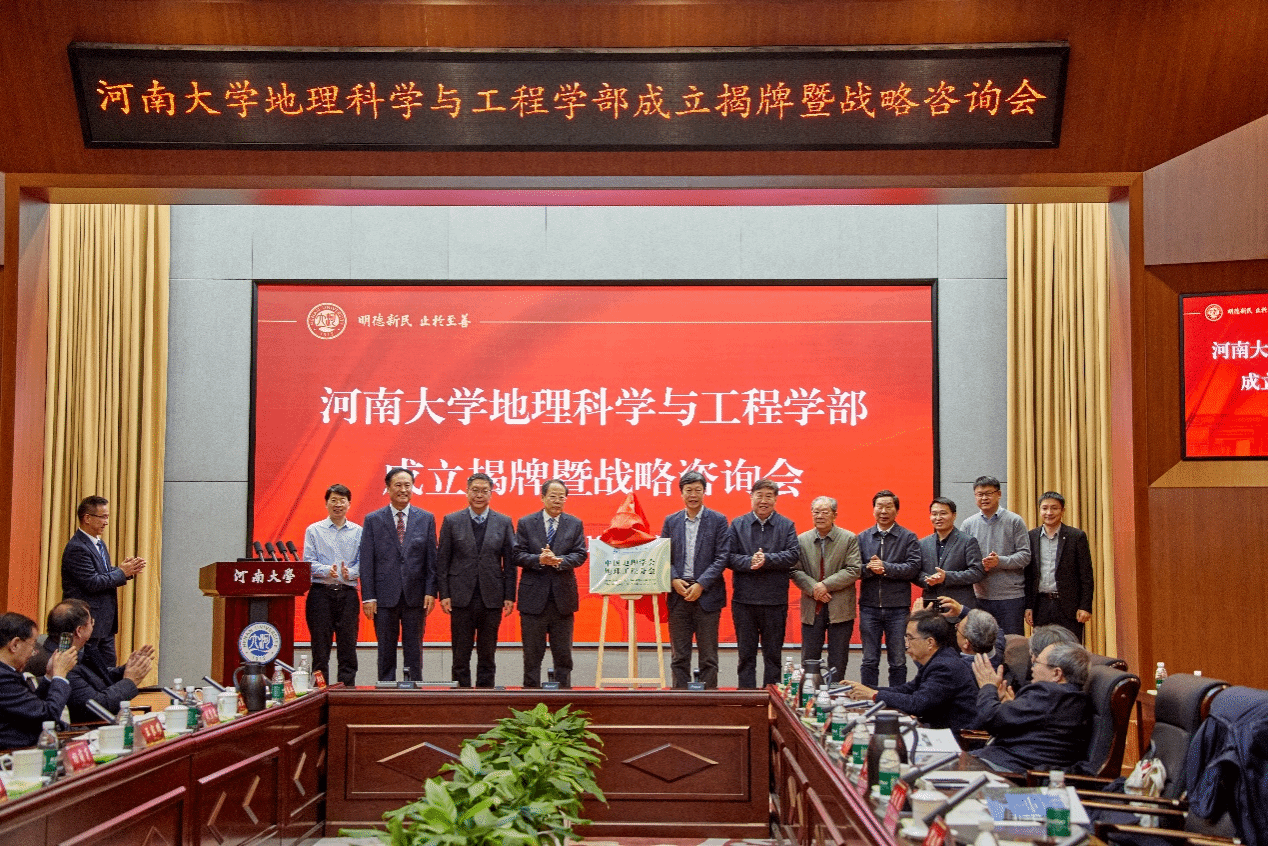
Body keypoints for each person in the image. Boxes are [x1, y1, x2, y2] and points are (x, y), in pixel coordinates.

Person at [436, 473, 517, 688]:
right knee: (460, 654)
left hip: (492, 596)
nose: (479, 495)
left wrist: (509, 595)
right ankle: (460, 698)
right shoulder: (452, 521)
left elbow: (510, 563)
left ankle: (486, 697)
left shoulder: (504, 522)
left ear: (491, 494)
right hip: (460, 597)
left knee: (487, 653)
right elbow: (442, 561)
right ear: (467, 492)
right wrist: (444, 594)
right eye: (475, 490)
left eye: (484, 491)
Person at [359, 467, 436, 683]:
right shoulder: (373, 519)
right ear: (388, 488)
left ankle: (414, 690)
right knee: (385, 650)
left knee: (414, 651)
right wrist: (368, 596)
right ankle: (386, 691)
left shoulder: (426, 518)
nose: (403, 490)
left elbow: (432, 559)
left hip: (415, 596)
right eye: (398, 485)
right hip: (384, 597)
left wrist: (431, 591)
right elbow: (367, 561)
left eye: (407, 485)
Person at [846, 608, 978, 733]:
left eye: (910, 638)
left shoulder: (945, 667)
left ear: (930, 642)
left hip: (956, 738)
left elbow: (917, 704)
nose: (906, 644)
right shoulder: (938, 659)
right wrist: (865, 689)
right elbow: (907, 690)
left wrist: (874, 694)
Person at [970, 642, 1092, 773]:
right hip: (1009, 763)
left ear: (1056, 673)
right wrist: (1012, 707)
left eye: (1037, 663)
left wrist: (988, 686)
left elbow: (991, 718)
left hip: (1007, 769)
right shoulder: (1071, 697)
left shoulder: (1049, 694)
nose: (1032, 668)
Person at [660, 471, 730, 689]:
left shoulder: (718, 520)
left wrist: (701, 584)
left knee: (708, 656)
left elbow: (722, 557)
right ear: (681, 493)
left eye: (697, 490)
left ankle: (708, 701)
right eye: (688, 490)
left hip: (707, 595)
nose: (693, 495)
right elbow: (663, 555)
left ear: (704, 492)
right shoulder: (671, 521)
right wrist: (673, 579)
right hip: (678, 595)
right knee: (679, 656)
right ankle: (680, 700)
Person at [514, 479, 587, 688]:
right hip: (533, 599)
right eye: (552, 496)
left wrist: (559, 561)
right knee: (532, 655)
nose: (557, 501)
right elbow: (517, 554)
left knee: (563, 655)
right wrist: (539, 559)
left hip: (562, 599)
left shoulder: (574, 523)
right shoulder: (526, 523)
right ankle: (530, 697)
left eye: (561, 497)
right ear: (543, 497)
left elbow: (580, 554)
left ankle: (563, 696)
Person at [727, 478, 799, 689]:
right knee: (745, 656)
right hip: (744, 601)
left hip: (774, 601)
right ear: (751, 497)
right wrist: (750, 561)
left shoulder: (786, 525)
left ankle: (772, 700)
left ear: (776, 499)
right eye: (759, 495)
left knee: (773, 656)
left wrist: (767, 559)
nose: (764, 501)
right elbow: (728, 556)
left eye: (769, 496)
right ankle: (746, 700)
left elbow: (793, 554)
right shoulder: (738, 524)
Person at [60, 495, 146, 666]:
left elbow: (102, 573)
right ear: (87, 518)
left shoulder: (99, 543)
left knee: (108, 669)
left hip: (105, 624)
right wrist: (121, 573)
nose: (106, 522)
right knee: (90, 671)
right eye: (103, 517)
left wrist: (124, 571)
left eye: (107, 517)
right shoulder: (77, 547)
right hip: (87, 623)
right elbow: (92, 582)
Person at [45, 599, 154, 722]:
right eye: (91, 622)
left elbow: (100, 678)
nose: (93, 625)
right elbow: (97, 707)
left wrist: (130, 668)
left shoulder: (80, 651)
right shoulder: (61, 664)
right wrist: (130, 681)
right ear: (79, 631)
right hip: (93, 727)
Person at [857, 489, 922, 688]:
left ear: (896, 510)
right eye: (879, 506)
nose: (883, 511)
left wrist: (885, 568)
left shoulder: (908, 537)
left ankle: (896, 699)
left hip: (898, 609)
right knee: (869, 660)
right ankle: (868, 698)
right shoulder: (863, 537)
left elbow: (913, 568)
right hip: (869, 607)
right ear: (873, 509)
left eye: (888, 507)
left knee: (898, 661)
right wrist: (869, 568)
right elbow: (853, 569)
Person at [792, 496, 861, 682]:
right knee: (809, 658)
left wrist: (825, 585)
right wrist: (814, 588)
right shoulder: (802, 540)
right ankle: (809, 694)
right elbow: (794, 570)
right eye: (816, 512)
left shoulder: (848, 538)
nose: (820, 516)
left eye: (825, 512)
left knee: (838, 658)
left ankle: (835, 692)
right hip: (812, 607)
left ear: (834, 515)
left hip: (840, 608)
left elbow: (854, 569)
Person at [303, 483, 362, 687]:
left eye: (342, 500)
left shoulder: (358, 531)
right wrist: (328, 570)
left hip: (348, 595)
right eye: (333, 500)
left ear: (349, 504)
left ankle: (347, 694)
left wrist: (350, 573)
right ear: (326, 503)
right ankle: (320, 694)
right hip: (321, 594)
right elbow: (308, 563)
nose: (338, 504)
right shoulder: (314, 530)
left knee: (348, 649)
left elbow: (364, 562)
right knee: (320, 650)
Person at [961, 476, 1031, 635]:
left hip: (1011, 598)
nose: (984, 498)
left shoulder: (1015, 521)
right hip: (979, 596)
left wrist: (999, 561)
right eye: (979, 494)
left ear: (999, 494)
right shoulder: (968, 524)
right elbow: (962, 559)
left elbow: (1025, 556)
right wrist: (978, 566)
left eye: (988, 493)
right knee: (982, 643)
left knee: (1011, 644)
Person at [0, 612, 77, 749]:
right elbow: (48, 716)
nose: (34, 653)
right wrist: (60, 675)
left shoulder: (8, 672)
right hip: (17, 754)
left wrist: (50, 676)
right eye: (33, 645)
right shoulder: (3, 678)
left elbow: (33, 707)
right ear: (15, 644)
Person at [1026, 491, 1095, 643]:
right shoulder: (1031, 536)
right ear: (1039, 510)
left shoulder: (1076, 536)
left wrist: (1085, 606)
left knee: (1070, 648)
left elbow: (1086, 575)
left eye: (1054, 508)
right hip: (1041, 605)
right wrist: (1028, 606)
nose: (1049, 512)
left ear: (1063, 511)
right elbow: (1029, 575)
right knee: (1042, 648)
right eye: (1044, 508)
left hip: (1069, 607)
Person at [918, 497, 985, 611]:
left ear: (954, 515)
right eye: (934, 514)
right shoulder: (922, 543)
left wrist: (947, 577)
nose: (938, 518)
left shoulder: (967, 541)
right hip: (931, 606)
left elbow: (977, 572)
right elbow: (915, 572)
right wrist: (927, 580)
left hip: (959, 606)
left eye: (943, 513)